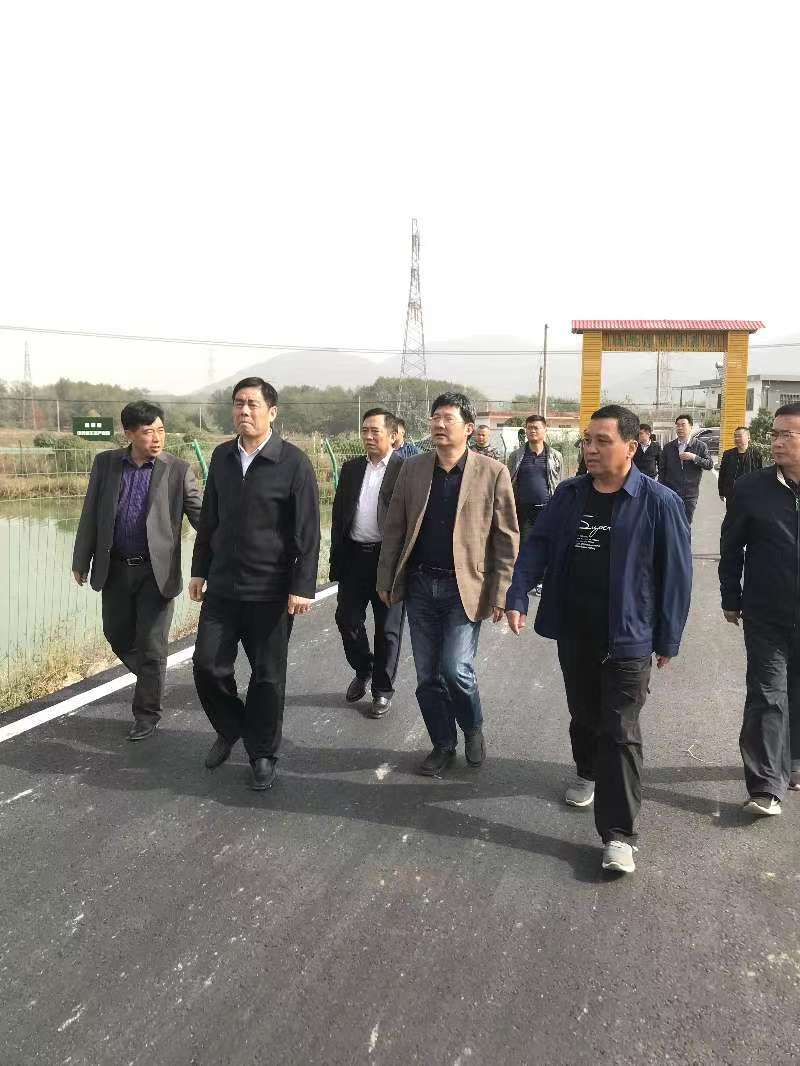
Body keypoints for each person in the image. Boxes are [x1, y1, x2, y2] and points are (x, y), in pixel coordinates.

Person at [505, 405, 692, 875]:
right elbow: (538, 547)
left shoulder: (659, 502)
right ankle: (587, 770)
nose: (590, 449)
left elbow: (676, 576)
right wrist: (518, 594)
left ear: (630, 447)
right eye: (587, 440)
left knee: (621, 731)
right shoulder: (569, 496)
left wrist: (668, 637)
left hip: (629, 636)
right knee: (585, 715)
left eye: (602, 441)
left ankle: (618, 835)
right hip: (576, 631)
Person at [377, 392, 519, 777]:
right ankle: (442, 744)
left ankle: (472, 727)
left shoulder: (492, 472)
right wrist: (386, 578)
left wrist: (501, 592)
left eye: (448, 418)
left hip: (464, 587)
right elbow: (395, 527)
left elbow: (506, 537)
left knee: (456, 668)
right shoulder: (413, 469)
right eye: (435, 417)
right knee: (427, 676)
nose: (439, 425)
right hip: (421, 585)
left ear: (468, 428)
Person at [190, 377, 320, 791]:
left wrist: (302, 585)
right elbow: (209, 519)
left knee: (267, 676)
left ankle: (262, 752)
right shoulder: (222, 457)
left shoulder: (293, 462)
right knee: (207, 666)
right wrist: (199, 569)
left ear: (272, 412)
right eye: (238, 404)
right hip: (223, 587)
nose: (244, 411)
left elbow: (308, 532)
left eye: (252, 404)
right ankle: (232, 727)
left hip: (270, 591)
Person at [72, 401, 203, 740]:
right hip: (115, 569)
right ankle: (151, 676)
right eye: (147, 432)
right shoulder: (106, 464)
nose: (156, 438)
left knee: (152, 645)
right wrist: (81, 560)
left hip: (155, 573)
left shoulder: (178, 470)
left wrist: (227, 553)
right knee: (116, 634)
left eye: (161, 431)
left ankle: (147, 713)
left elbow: (203, 519)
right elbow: (91, 513)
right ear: (129, 434)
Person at [719, 401, 800, 816]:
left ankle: (793, 759)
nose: (777, 442)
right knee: (767, 693)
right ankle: (766, 785)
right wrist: (730, 597)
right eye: (775, 434)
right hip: (766, 612)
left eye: (788, 434)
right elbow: (731, 546)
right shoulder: (751, 488)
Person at [330, 408, 405, 718]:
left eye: (375, 431)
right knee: (346, 619)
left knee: (387, 629)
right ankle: (364, 668)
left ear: (393, 435)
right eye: (365, 431)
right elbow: (339, 516)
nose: (369, 437)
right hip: (354, 557)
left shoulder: (405, 470)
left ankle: (382, 691)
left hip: (388, 560)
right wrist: (336, 558)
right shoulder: (351, 468)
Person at [506, 415, 563, 543]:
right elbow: (509, 482)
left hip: (547, 511)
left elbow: (560, 483)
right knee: (526, 546)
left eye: (536, 428)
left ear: (545, 429)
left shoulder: (555, 456)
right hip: (523, 513)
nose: (532, 431)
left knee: (547, 546)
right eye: (529, 428)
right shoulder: (516, 456)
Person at [659, 413, 713, 524]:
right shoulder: (668, 447)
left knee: (686, 524)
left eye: (683, 425)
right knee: (671, 523)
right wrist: (661, 490)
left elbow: (709, 464)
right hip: (671, 492)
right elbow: (662, 470)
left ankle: (685, 536)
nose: (679, 428)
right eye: (677, 425)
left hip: (690, 494)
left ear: (691, 427)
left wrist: (694, 457)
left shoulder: (700, 446)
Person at [718, 426, 763, 508]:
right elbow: (722, 474)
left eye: (739, 436)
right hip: (732, 495)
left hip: (750, 496)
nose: (736, 438)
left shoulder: (756, 454)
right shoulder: (728, 454)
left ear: (748, 438)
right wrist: (721, 492)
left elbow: (760, 476)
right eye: (735, 436)